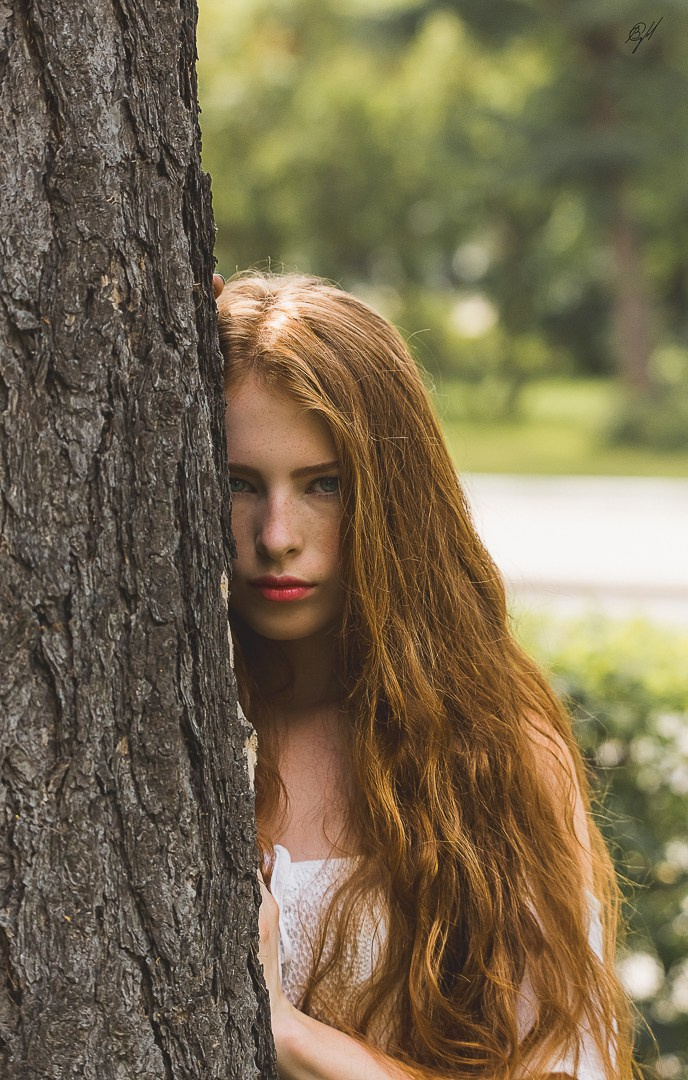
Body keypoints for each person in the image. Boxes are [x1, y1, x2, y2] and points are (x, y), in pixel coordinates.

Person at [214, 271, 635, 1080]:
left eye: (324, 485)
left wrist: (291, 1035)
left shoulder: (493, 746)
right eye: (238, 483)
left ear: (392, 495)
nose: (276, 536)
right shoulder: (153, 729)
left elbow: (563, 1067)